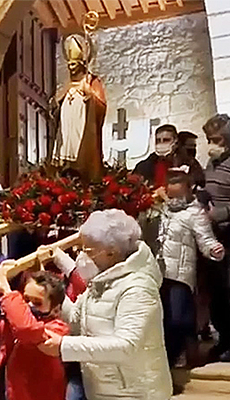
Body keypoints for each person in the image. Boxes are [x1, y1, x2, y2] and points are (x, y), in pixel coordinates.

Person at [37, 209, 172, 400]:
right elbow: (77, 318)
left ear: (111, 252)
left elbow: (126, 345)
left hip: (135, 393)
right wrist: (50, 295)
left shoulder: (138, 288)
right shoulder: (104, 278)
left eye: (88, 250)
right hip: (103, 389)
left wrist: (64, 346)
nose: (83, 256)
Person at [158, 170, 224, 370]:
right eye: (171, 196)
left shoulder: (195, 213)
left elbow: (205, 239)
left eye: (179, 196)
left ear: (189, 190)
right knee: (162, 320)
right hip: (156, 274)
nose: (174, 200)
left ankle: (175, 358)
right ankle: (167, 361)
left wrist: (214, 251)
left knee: (177, 320)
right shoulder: (159, 210)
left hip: (179, 274)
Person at [0, 269, 69, 400]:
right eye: (25, 299)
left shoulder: (58, 329)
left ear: (55, 309)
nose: (29, 305)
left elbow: (27, 329)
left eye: (37, 303)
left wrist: (7, 292)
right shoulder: (13, 324)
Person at [51, 30, 107, 182]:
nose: (71, 67)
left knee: (80, 151)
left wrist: (90, 96)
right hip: (66, 128)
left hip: (82, 126)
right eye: (69, 63)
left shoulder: (91, 81)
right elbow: (57, 110)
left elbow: (101, 106)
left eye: (74, 63)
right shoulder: (67, 86)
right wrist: (55, 106)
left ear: (82, 63)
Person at [201, 113, 230, 360]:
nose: (213, 144)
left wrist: (219, 213)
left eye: (217, 139)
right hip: (214, 235)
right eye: (209, 139)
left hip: (229, 231)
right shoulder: (213, 163)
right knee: (218, 291)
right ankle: (224, 337)